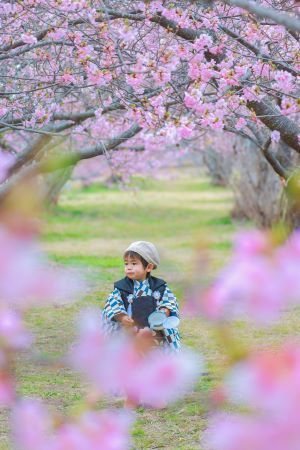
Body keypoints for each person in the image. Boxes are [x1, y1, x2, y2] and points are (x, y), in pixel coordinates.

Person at [102, 241, 181, 351]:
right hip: (130, 331)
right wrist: (121, 316)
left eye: (134, 264)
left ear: (148, 267)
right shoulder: (122, 288)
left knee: (158, 351)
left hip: (155, 331)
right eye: (126, 264)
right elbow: (112, 303)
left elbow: (170, 300)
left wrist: (165, 310)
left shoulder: (159, 287)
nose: (129, 268)